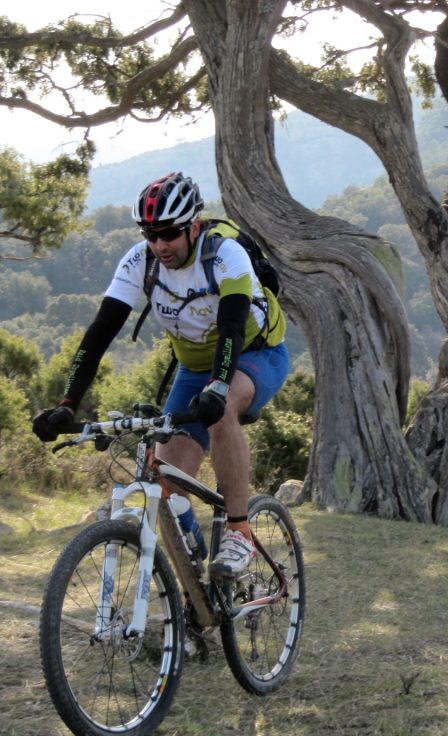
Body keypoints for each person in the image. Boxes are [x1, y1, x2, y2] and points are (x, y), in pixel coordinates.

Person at [32, 171, 289, 579]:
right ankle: (194, 597)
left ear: (195, 225)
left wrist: (219, 388)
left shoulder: (225, 255)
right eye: (150, 234)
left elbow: (232, 329)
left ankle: (239, 530)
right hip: (193, 368)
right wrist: (67, 404)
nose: (159, 245)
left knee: (221, 413)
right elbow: (99, 334)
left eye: (168, 233)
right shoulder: (140, 261)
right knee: (164, 485)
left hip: (253, 355)